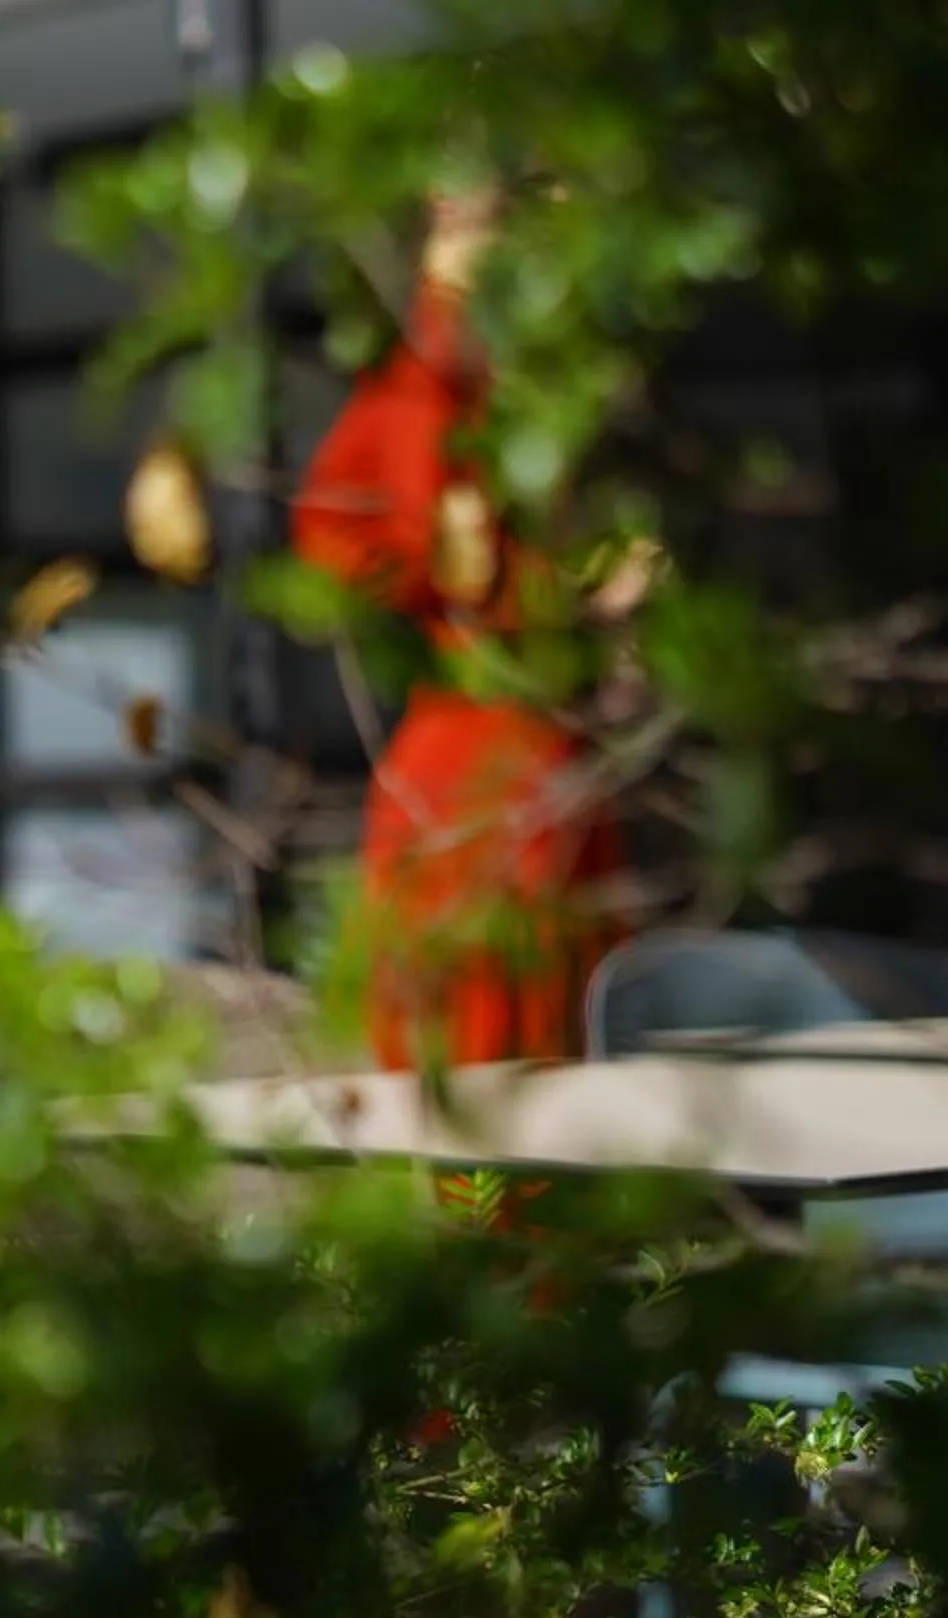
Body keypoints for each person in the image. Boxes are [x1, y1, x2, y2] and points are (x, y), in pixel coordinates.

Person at [292, 185, 629, 1069]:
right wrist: (439, 562)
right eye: (461, 222)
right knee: (475, 1023)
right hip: (472, 747)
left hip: (549, 744)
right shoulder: (428, 376)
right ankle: (480, 1205)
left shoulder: (551, 375)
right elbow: (337, 528)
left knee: (559, 1015)